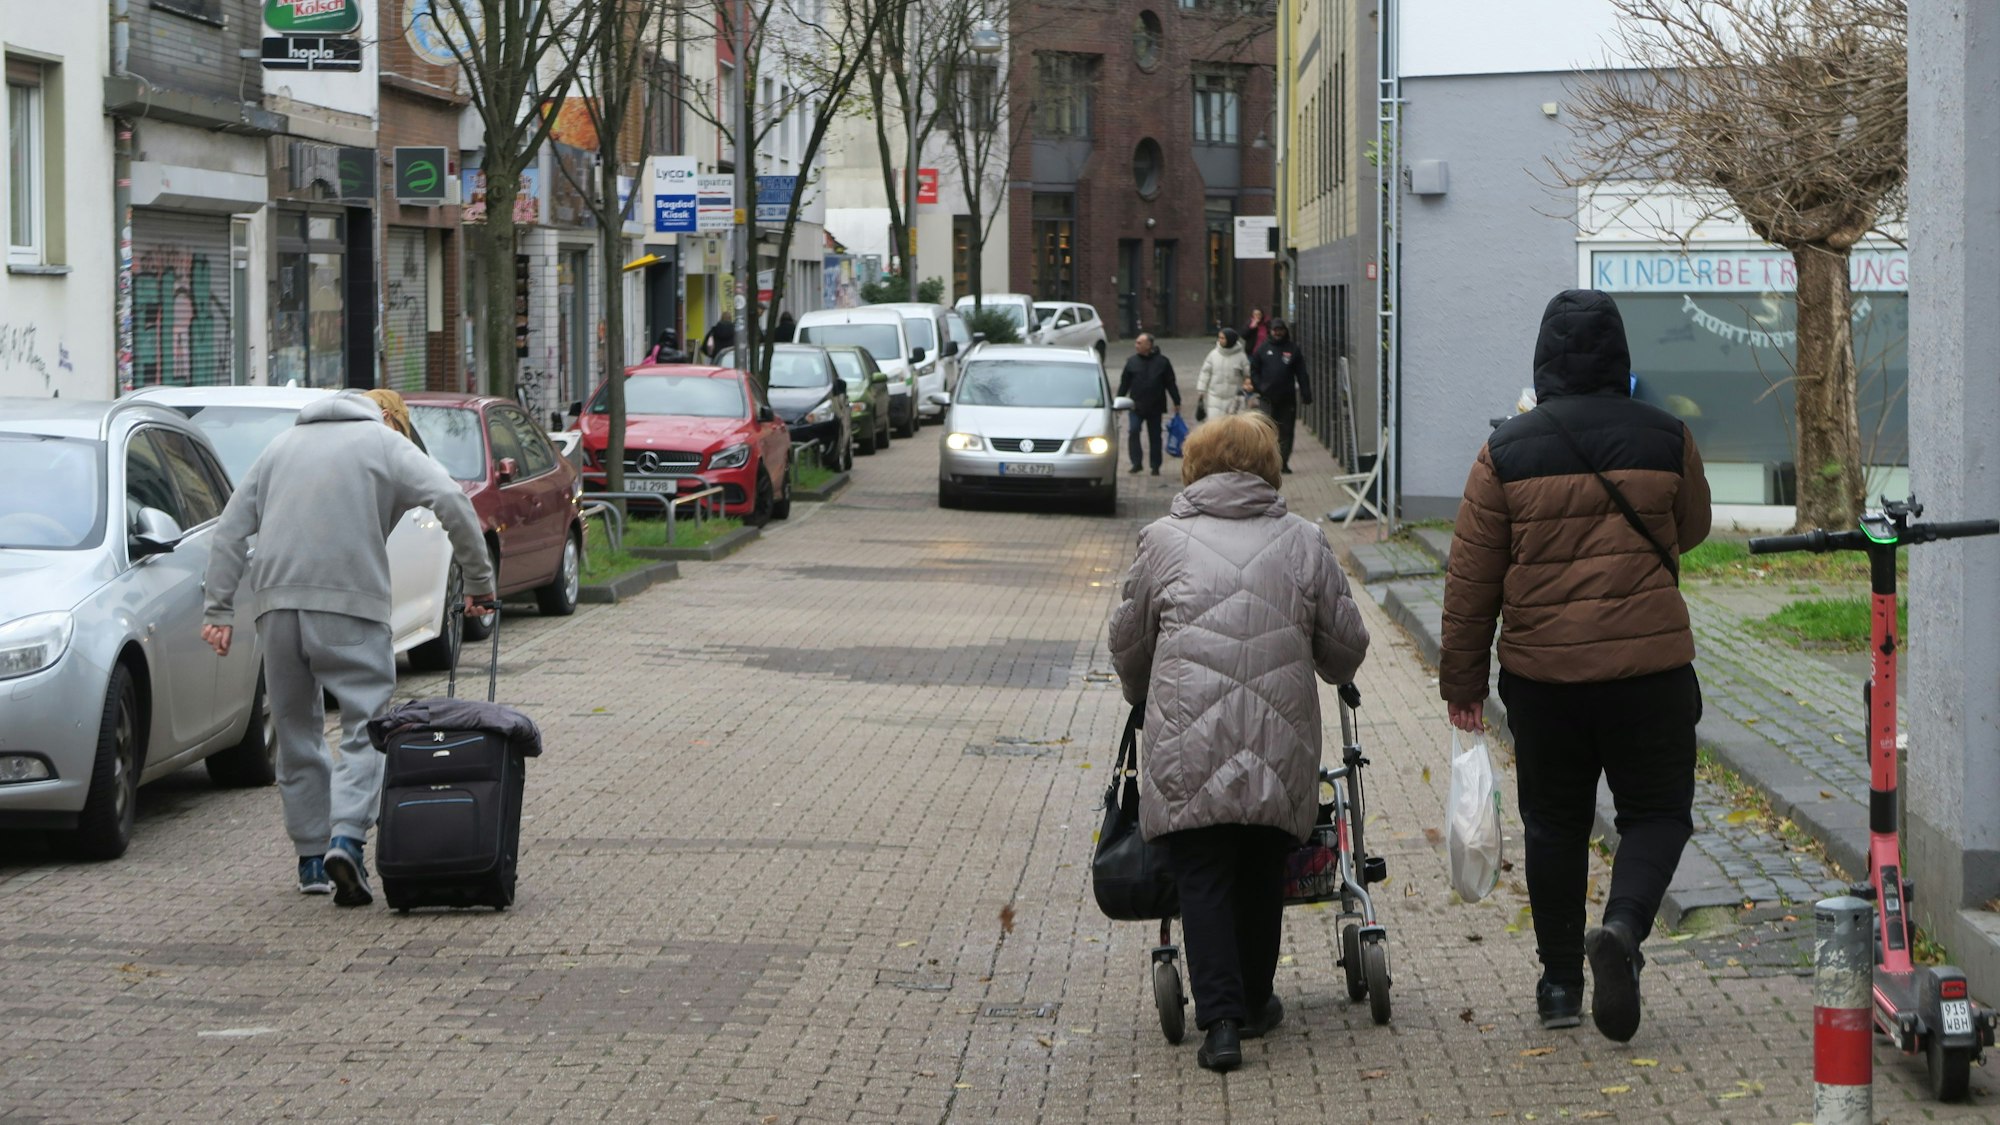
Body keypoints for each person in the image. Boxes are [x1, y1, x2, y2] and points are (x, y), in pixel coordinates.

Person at [1439, 289, 1711, 1042]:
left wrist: (1462, 684)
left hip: (1545, 681)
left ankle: (1559, 984)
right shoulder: (1667, 437)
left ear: (1545, 358)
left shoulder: (1506, 451)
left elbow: (1472, 579)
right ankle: (1622, 930)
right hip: (1650, 671)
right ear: (1620, 355)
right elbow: (1691, 529)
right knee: (1657, 813)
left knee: (1554, 823)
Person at [1110, 412, 1370, 1073]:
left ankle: (1220, 1021)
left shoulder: (1162, 540)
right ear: (1270, 466)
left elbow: (1128, 643)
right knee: (1260, 866)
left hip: (1187, 743)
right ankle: (1255, 1001)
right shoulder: (1304, 539)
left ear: (1194, 465)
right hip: (1279, 746)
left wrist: (1141, 686)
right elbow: (1346, 649)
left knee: (1202, 872)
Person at [200, 392, 496, 908]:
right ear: (387, 418)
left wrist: (218, 609)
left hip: (276, 606)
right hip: (350, 607)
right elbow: (451, 498)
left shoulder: (279, 448)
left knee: (295, 730)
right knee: (367, 726)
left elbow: (229, 530)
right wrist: (478, 580)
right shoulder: (383, 445)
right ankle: (346, 839)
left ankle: (311, 860)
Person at [1248, 318, 1311, 474]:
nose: (1278, 333)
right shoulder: (1263, 349)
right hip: (1267, 398)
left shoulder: (1293, 349)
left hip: (1287, 398)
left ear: (1285, 331)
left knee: (1286, 432)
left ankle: (1283, 463)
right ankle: (1266, 463)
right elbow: (1254, 370)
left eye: (1280, 330)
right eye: (1275, 330)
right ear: (1270, 331)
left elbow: (1302, 373)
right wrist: (1259, 387)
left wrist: (1306, 393)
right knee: (1267, 431)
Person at [1116, 333, 1182, 476]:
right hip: (1136, 406)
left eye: (1139, 343)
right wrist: (1119, 401)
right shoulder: (1132, 362)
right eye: (1136, 342)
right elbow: (1124, 384)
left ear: (1149, 345)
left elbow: (1170, 383)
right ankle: (1136, 463)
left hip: (1155, 405)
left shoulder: (1162, 362)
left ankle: (1155, 465)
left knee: (1155, 436)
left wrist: (1176, 400)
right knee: (1133, 431)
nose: (1136, 345)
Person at [1194, 328, 1250, 423]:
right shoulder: (1213, 355)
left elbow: (1247, 375)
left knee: (1233, 427)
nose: (1219, 340)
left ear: (1230, 339)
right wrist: (1201, 389)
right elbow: (1205, 372)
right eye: (1219, 337)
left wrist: (1247, 385)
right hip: (1215, 397)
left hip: (1234, 399)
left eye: (1222, 338)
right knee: (1215, 425)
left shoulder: (1241, 357)